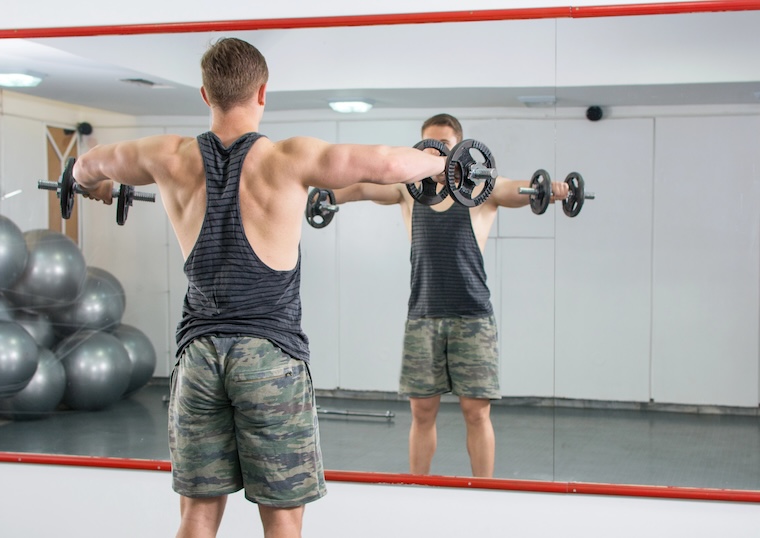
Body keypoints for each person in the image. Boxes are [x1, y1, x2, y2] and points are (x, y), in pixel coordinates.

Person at [71, 37, 446, 538]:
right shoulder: (288, 159)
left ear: (205, 94)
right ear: (262, 92)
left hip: (197, 358)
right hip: (269, 358)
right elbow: (389, 164)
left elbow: (87, 164)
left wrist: (91, 185)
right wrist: (445, 162)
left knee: (197, 517)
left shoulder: (166, 155)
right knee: (282, 523)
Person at [331, 113, 568, 478]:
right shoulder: (407, 191)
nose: (437, 154)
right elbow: (361, 187)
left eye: (444, 146)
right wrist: (324, 193)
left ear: (460, 148)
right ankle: (418, 489)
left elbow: (519, 189)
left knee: (477, 412)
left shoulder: (481, 192)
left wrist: (550, 190)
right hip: (423, 317)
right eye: (431, 145)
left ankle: (485, 493)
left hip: (472, 319)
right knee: (422, 413)